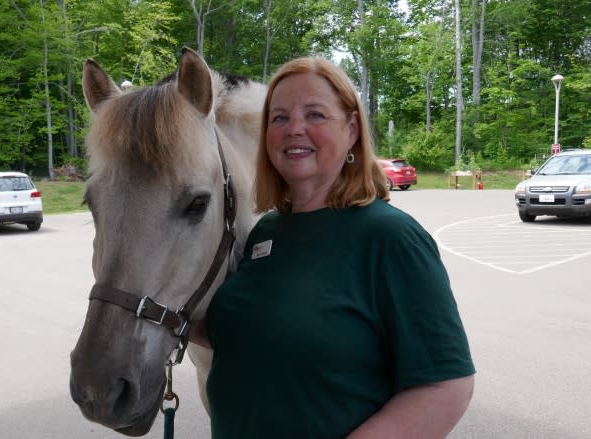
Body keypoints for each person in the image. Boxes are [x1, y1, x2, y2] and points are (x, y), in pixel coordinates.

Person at [190, 57, 475, 438]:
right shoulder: (266, 233)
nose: (294, 129)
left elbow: (446, 387)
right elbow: (253, 336)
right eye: (278, 118)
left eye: (315, 115)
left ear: (352, 129)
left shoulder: (391, 238)